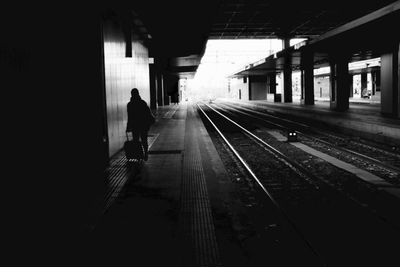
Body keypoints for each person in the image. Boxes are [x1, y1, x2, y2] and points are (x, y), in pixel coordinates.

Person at [126, 88, 155, 161]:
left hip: (135, 126)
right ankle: (145, 153)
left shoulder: (130, 104)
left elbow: (130, 117)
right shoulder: (142, 103)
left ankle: (138, 155)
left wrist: (128, 127)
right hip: (143, 125)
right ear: (138, 93)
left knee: (136, 140)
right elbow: (147, 113)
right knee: (144, 139)